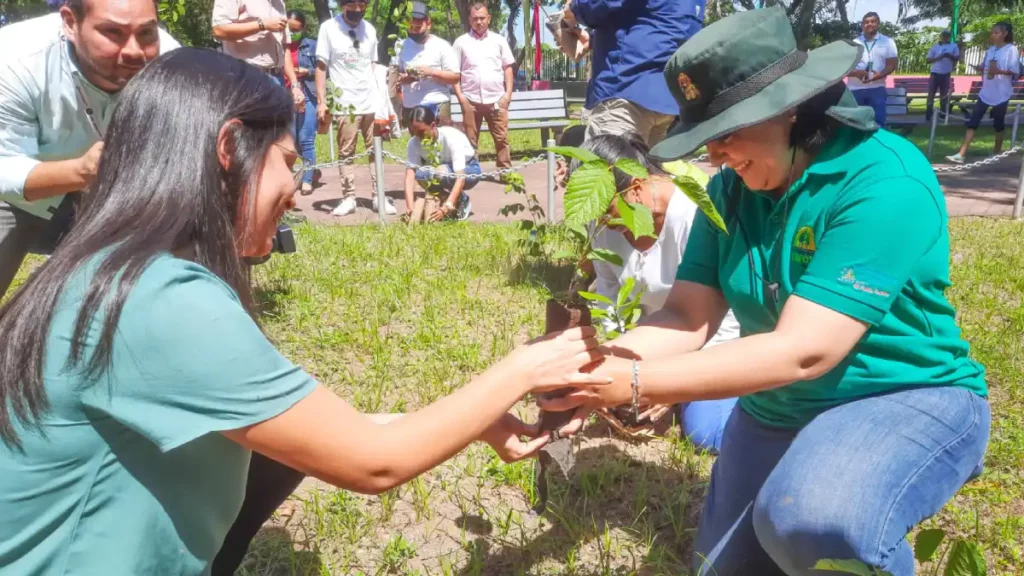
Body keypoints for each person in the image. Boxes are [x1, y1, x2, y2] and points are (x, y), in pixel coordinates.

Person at [0, 48, 605, 575]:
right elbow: (373, 463)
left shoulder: (112, 268)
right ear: (228, 148)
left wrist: (475, 422)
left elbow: (302, 432)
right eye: (287, 160)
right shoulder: (161, 300)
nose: (295, 187)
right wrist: (524, 369)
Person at [544, 9, 989, 575]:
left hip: (901, 395)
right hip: (777, 406)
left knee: (812, 525)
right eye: (705, 140)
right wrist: (593, 364)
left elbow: (805, 349)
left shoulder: (884, 180)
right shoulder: (730, 191)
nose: (715, 157)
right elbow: (686, 317)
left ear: (790, 108)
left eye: (725, 135)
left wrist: (629, 383)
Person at [571, 133, 742, 452]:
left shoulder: (694, 214)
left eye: (608, 211)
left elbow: (731, 317)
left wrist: (671, 384)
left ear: (635, 189)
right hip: (649, 348)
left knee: (706, 430)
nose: (604, 224)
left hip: (715, 347)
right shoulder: (607, 230)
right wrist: (612, 369)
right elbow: (610, 305)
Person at [0, 1, 179, 299]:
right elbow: (4, 167)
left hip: (115, 194)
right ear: (70, 23)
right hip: (22, 191)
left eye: (147, 32)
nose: (135, 51)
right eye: (113, 32)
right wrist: (82, 171)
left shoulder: (172, 63)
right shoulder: (14, 58)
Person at [561, 0, 704, 146]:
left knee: (608, 167)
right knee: (652, 167)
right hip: (668, 98)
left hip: (627, 89)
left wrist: (573, 7)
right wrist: (592, 39)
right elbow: (667, 20)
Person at [315, 0, 395, 217]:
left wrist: (383, 96)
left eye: (362, 6)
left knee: (375, 149)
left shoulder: (369, 29)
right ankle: (348, 197)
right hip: (345, 104)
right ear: (343, 5)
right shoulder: (328, 29)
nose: (358, 10)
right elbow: (321, 68)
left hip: (371, 102)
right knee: (346, 151)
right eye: (353, 5)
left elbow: (373, 65)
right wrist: (322, 101)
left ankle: (379, 196)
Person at [947, 21, 1020, 164]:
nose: (993, 35)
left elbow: (1014, 71)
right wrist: (980, 68)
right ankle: (961, 154)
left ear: (1005, 34)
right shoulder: (991, 49)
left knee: (998, 124)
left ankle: (996, 152)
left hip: (1001, 93)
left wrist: (998, 71)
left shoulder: (1012, 50)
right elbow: (985, 66)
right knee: (973, 121)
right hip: (986, 92)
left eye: (996, 32)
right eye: (992, 32)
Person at [453, 3, 515, 168]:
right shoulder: (461, 42)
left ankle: (505, 171)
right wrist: (461, 97)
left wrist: (507, 95)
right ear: (469, 20)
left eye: (482, 18)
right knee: (470, 139)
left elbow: (508, 68)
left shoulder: (499, 41)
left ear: (489, 19)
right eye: (475, 19)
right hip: (470, 100)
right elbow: (454, 73)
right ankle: (472, 172)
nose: (479, 22)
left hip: (496, 99)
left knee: (501, 139)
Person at [211, 0, 304, 110]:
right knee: (246, 126)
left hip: (277, 80)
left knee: (277, 127)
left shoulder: (279, 3)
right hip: (246, 78)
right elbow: (219, 30)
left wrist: (294, 85)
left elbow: (285, 49)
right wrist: (262, 25)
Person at [403, 106, 480, 223]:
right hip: (443, 171)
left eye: (421, 132)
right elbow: (410, 175)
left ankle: (461, 200)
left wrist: (446, 208)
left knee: (441, 171)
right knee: (421, 174)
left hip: (469, 170)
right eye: (414, 132)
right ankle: (450, 199)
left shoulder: (451, 137)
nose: (418, 137)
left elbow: (461, 176)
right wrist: (409, 207)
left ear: (433, 125)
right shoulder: (414, 143)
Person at [395, 1, 460, 126]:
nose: (414, 32)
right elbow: (398, 75)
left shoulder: (442, 46)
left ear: (428, 23)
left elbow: (455, 77)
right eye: (411, 28)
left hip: (437, 103)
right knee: (417, 143)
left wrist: (431, 72)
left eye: (418, 28)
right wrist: (406, 78)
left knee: (440, 142)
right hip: (411, 105)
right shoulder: (401, 46)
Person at [285, 9, 318, 194]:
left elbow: (324, 70)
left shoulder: (312, 46)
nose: (293, 33)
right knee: (289, 140)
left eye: (296, 29)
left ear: (304, 28)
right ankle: (287, 179)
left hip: (307, 93)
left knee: (306, 139)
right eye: (290, 29)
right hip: (284, 95)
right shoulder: (278, 45)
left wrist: (308, 72)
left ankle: (307, 180)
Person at [846, 11, 898, 127]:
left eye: (872, 21)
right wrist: (856, 73)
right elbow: (844, 67)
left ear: (878, 23)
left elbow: (892, 65)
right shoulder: (854, 43)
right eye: (866, 22)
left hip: (877, 89)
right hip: (855, 89)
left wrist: (877, 76)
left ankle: (878, 145)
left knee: (879, 122)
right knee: (855, 123)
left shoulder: (888, 42)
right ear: (862, 25)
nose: (869, 24)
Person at [925, 30, 959, 123]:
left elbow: (956, 58)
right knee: (931, 94)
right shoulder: (935, 47)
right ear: (941, 36)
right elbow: (928, 60)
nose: (945, 37)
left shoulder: (953, 46)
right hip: (934, 73)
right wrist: (938, 58)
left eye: (947, 36)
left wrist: (948, 56)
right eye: (943, 35)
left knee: (944, 95)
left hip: (946, 74)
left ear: (949, 37)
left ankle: (943, 114)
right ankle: (928, 114)